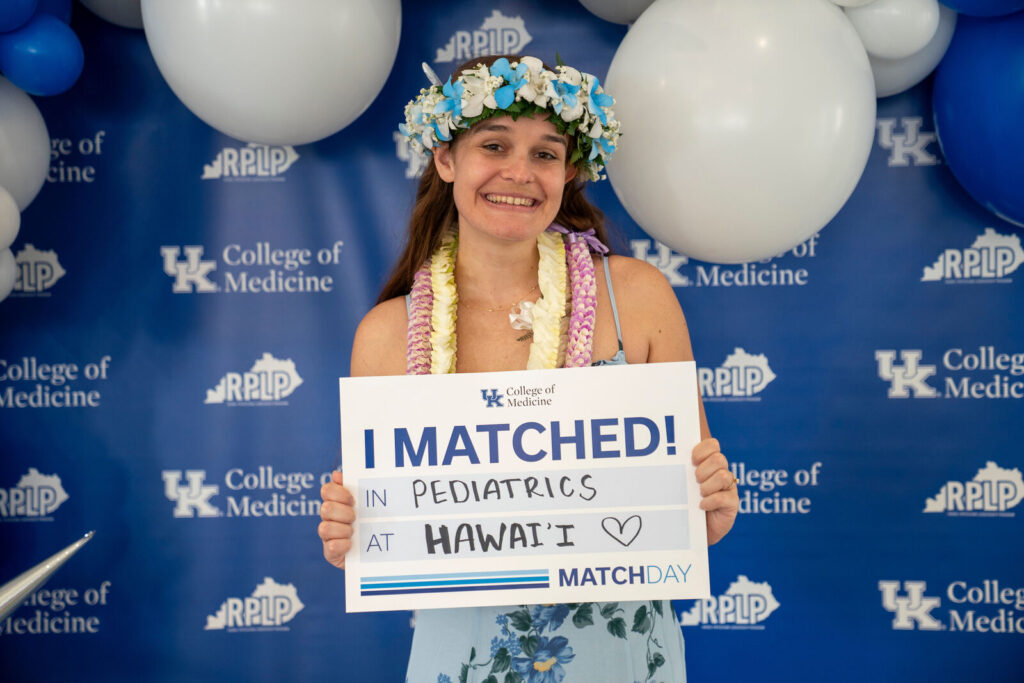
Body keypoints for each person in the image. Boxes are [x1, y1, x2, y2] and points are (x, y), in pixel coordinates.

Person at [319, 54, 739, 682]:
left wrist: (710, 507)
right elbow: (383, 538)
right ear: (445, 159)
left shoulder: (637, 298)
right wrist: (348, 529)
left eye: (546, 154)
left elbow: (690, 523)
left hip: (619, 658)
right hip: (461, 661)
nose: (520, 173)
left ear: (569, 173)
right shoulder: (386, 335)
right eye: (494, 144)